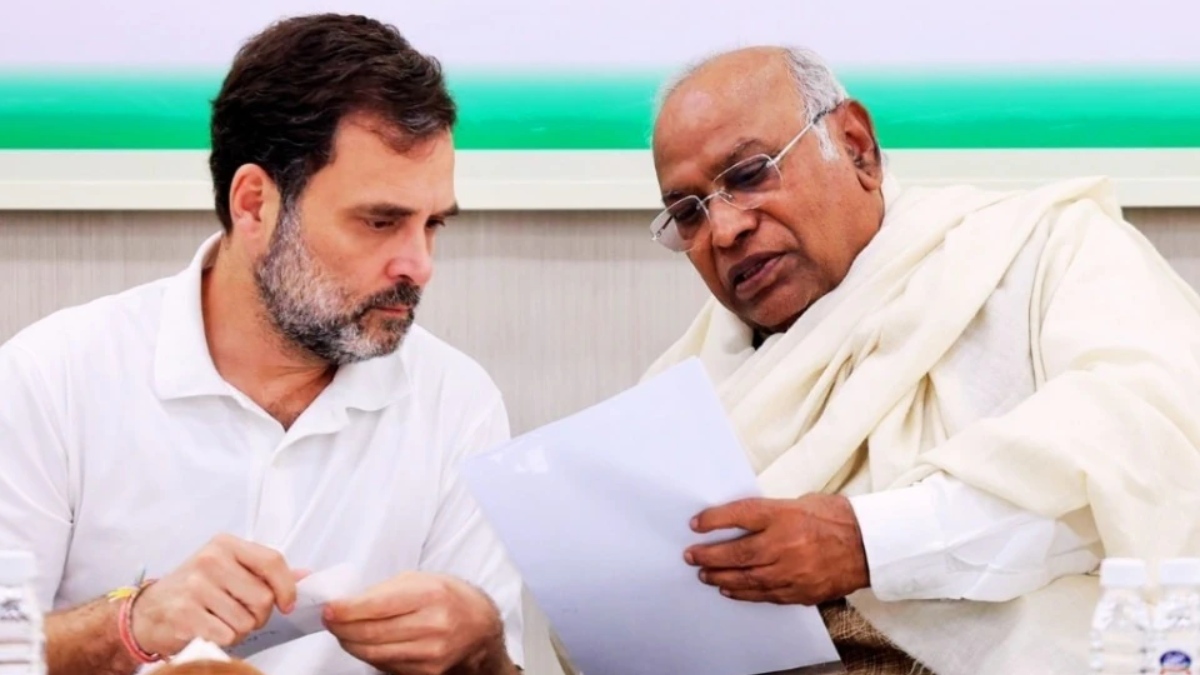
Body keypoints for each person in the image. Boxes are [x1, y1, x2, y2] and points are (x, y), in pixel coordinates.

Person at [642, 45, 1200, 673]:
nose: (724, 231)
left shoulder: (1044, 252)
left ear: (856, 147)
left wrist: (868, 543)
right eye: (687, 213)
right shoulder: (679, 389)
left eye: (749, 175)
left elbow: (1147, 447)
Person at [0, 14, 523, 675]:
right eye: (380, 221)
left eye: (433, 225)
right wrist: (129, 625)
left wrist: (483, 650)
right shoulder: (51, 380)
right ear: (254, 205)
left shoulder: (457, 401)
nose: (418, 265)